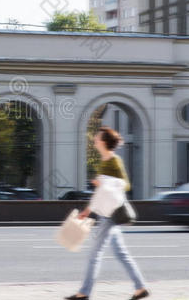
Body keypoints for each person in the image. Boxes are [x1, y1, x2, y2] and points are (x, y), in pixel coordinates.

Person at [65, 126, 150, 300]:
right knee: (121, 253)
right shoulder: (105, 161)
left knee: (94, 256)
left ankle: (84, 293)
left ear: (103, 142)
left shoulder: (113, 161)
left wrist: (104, 183)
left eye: (97, 137)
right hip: (108, 212)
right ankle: (140, 288)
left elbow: (125, 185)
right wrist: (90, 206)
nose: (94, 139)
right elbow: (101, 192)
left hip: (110, 215)